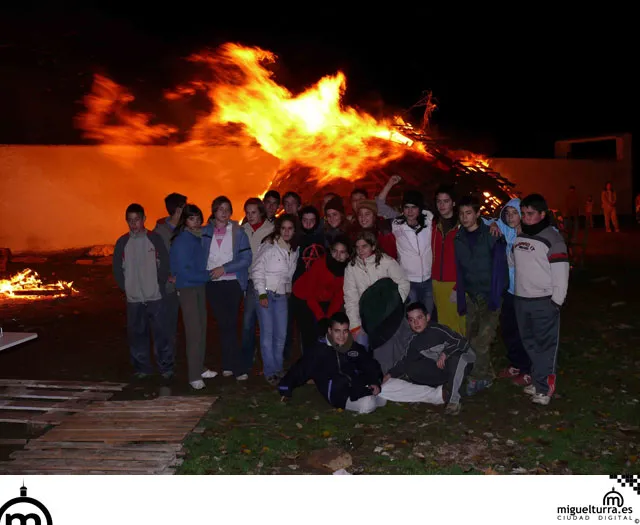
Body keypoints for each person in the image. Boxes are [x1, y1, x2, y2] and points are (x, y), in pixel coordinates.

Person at [513, 193, 569, 405]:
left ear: (542, 214)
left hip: (544, 301)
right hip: (521, 300)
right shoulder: (520, 236)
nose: (525, 217)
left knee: (545, 345)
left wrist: (556, 302)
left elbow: (562, 273)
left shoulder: (553, 239)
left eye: (530, 214)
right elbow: (514, 262)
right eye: (523, 213)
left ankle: (545, 388)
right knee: (530, 343)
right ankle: (538, 381)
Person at [278, 312, 386, 414]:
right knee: (368, 403)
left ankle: (374, 393)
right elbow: (300, 369)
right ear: (330, 331)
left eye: (345, 331)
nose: (341, 336)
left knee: (389, 386)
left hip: (357, 386)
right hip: (338, 394)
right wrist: (285, 388)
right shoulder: (319, 351)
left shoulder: (353, 347)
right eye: (337, 331)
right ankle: (373, 397)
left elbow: (370, 364)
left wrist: (374, 382)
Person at [454, 195, 508, 395]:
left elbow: (501, 267)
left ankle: (477, 378)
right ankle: (488, 374)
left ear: (478, 214)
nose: (465, 217)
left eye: (469, 213)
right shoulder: (458, 238)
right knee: (471, 337)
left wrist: (497, 294)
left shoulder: (491, 235)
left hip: (490, 295)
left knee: (481, 340)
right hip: (471, 296)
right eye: (461, 213)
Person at [382, 302, 476, 415]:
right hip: (443, 367)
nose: (416, 323)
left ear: (427, 317)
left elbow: (462, 343)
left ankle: (454, 400)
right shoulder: (415, 341)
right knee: (412, 367)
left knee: (456, 359)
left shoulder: (438, 330)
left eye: (419, 318)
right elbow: (405, 362)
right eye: (411, 320)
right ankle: (440, 389)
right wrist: (389, 375)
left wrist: (446, 353)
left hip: (464, 360)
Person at [112, 203, 171, 381]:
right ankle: (142, 368)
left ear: (144, 219)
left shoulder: (154, 239)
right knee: (137, 335)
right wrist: (127, 287)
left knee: (161, 334)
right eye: (130, 221)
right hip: (134, 299)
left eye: (137, 220)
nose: (134, 224)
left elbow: (164, 263)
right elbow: (117, 268)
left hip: (155, 296)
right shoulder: (123, 243)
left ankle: (166, 367)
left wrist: (159, 284)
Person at [202, 196, 252, 379]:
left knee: (230, 324)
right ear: (214, 211)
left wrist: (224, 269)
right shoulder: (205, 232)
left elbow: (246, 259)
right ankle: (231, 365)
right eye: (220, 209)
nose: (223, 212)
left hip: (233, 283)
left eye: (227, 209)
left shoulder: (238, 232)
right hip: (212, 285)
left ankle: (233, 366)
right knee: (225, 324)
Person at [169, 204, 216, 389]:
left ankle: (200, 367)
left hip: (198, 286)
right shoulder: (182, 240)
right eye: (191, 218)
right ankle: (194, 375)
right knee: (194, 331)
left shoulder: (197, 237)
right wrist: (208, 275)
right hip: (188, 288)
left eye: (198, 218)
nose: (196, 221)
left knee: (202, 328)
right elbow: (182, 271)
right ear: (185, 221)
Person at [486, 199, 532, 386]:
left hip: (528, 292)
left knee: (526, 332)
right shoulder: (506, 230)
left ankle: (529, 370)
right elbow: (482, 220)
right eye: (508, 213)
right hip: (511, 290)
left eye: (515, 213)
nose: (511, 217)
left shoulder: (531, 234)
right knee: (509, 329)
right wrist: (495, 222)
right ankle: (516, 364)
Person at [252, 214, 300, 384]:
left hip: (281, 296)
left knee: (281, 334)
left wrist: (287, 289)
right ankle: (270, 371)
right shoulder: (269, 246)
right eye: (283, 228)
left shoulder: (293, 250)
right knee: (268, 334)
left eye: (290, 228)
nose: (287, 232)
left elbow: (288, 275)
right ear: (278, 229)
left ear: (294, 230)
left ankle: (278, 369)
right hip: (266, 293)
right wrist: (262, 293)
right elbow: (257, 270)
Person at [344, 230, 409, 348]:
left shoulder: (387, 262)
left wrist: (393, 305)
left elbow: (403, 284)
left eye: (364, 246)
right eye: (357, 247)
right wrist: (355, 326)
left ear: (373, 246)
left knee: (391, 349)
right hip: (366, 317)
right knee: (362, 346)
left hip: (389, 314)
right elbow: (350, 298)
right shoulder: (351, 268)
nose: (361, 250)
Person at [292, 236, 350, 353]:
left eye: (342, 252)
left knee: (327, 329)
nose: (338, 256)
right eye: (335, 251)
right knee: (309, 332)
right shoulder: (320, 264)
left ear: (348, 255)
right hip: (303, 296)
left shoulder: (347, 270)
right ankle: (309, 362)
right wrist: (321, 318)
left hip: (324, 299)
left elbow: (338, 296)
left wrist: (328, 318)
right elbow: (310, 293)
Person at [240, 198, 274, 379]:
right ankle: (246, 362)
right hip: (249, 281)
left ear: (261, 212)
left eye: (254, 212)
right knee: (247, 323)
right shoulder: (242, 230)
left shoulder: (271, 230)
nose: (250, 216)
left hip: (266, 282)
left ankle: (268, 362)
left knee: (266, 324)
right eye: (247, 212)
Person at [153, 193, 187, 366]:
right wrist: (167, 278)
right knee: (167, 327)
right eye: (184, 207)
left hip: (185, 286)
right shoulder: (159, 234)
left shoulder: (183, 230)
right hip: (168, 288)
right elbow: (156, 261)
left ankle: (178, 361)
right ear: (178, 209)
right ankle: (166, 364)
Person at [431, 185, 465, 334]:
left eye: (446, 201)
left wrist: (459, 286)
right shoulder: (433, 226)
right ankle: (448, 355)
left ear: (453, 203)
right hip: (437, 282)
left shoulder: (463, 227)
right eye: (439, 201)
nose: (442, 205)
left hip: (456, 282)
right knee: (443, 324)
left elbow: (468, 260)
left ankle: (463, 355)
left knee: (459, 323)